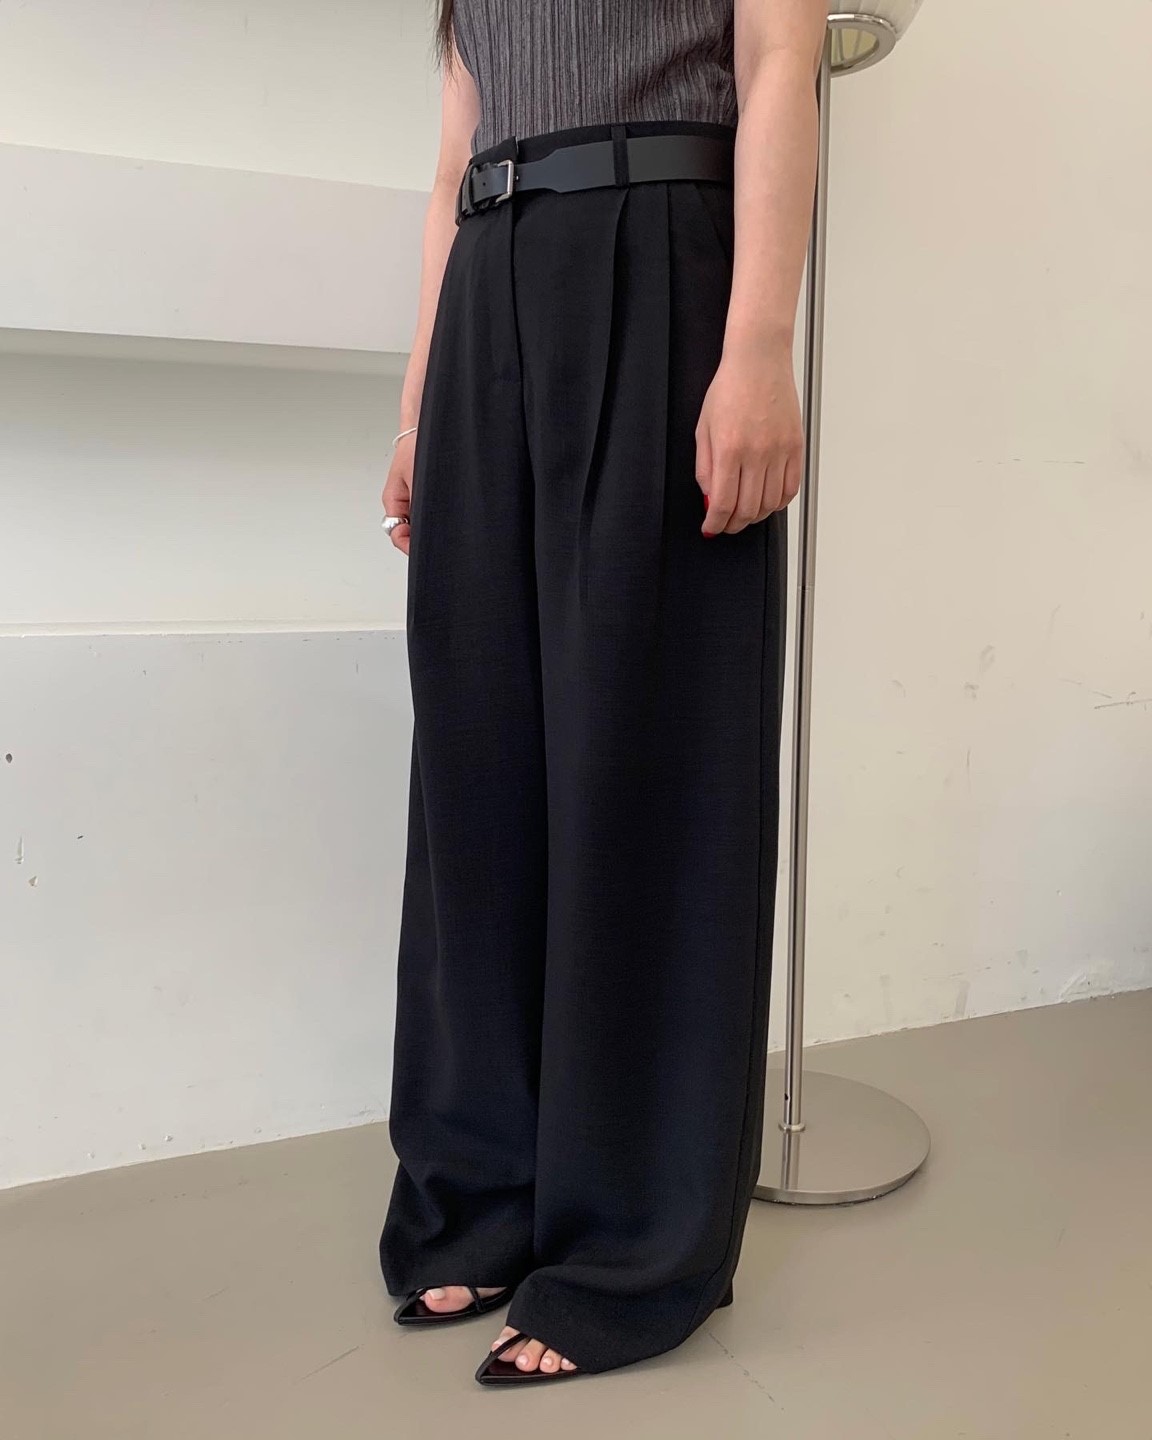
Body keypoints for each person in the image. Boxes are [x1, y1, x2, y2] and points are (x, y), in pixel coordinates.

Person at [378, 0, 825, 1385]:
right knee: (478, 759)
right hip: (491, 283)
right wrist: (417, 404)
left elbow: (779, 61)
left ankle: (634, 1235)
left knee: (646, 757)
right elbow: (453, 157)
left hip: (663, 259)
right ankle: (481, 1185)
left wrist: (759, 346)